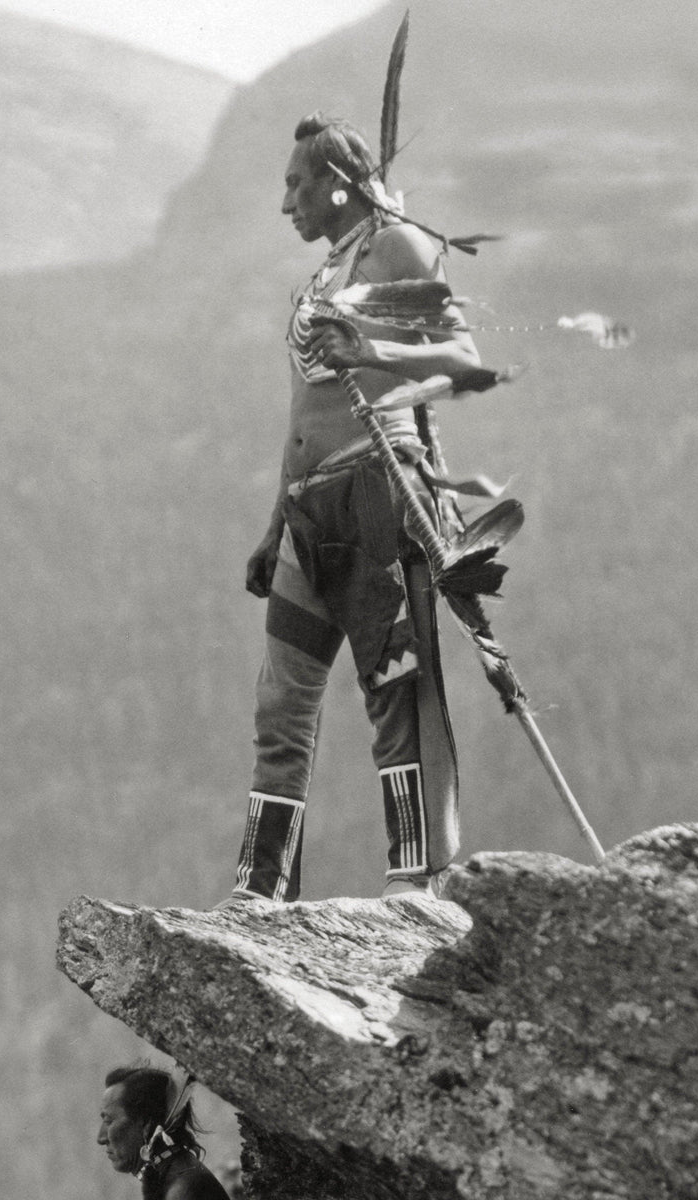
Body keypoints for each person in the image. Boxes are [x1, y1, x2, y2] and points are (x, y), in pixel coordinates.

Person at [224, 112, 482, 905]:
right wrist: (274, 523)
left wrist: (370, 350)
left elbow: (463, 364)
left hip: (377, 496)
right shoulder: (327, 271)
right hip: (308, 513)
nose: (285, 204)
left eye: (296, 184)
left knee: (393, 693)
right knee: (281, 702)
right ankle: (261, 889)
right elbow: (304, 406)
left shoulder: (396, 245)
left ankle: (413, 882)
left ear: (337, 183)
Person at [97, 1065, 231, 1200]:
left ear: (146, 1124)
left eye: (109, 1121)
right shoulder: (175, 1176)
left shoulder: (182, 1190)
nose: (101, 1138)